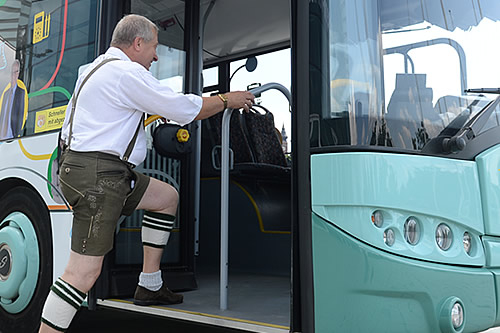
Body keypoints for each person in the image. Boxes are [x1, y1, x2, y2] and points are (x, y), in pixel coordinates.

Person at [38, 14, 254, 333]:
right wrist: (225, 100)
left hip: (96, 171)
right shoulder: (127, 74)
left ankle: (149, 284)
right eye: (154, 47)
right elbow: (182, 108)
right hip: (100, 178)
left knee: (166, 197)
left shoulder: (95, 69)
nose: (155, 56)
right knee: (82, 273)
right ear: (137, 43)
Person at [0, 60, 26, 139]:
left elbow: (21, 115)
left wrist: (17, 134)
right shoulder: (5, 93)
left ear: (18, 74)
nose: (13, 75)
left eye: (16, 72)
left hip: (12, 136)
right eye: (12, 72)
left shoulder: (21, 93)